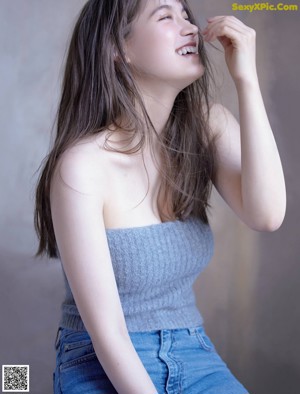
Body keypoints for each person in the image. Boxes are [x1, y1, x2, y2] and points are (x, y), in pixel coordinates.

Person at [34, 0, 286, 393]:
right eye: (165, 16)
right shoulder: (81, 166)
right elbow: (109, 334)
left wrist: (247, 80)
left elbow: (267, 214)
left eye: (186, 14)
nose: (189, 26)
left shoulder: (207, 125)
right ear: (119, 49)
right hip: (100, 362)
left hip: (193, 352)